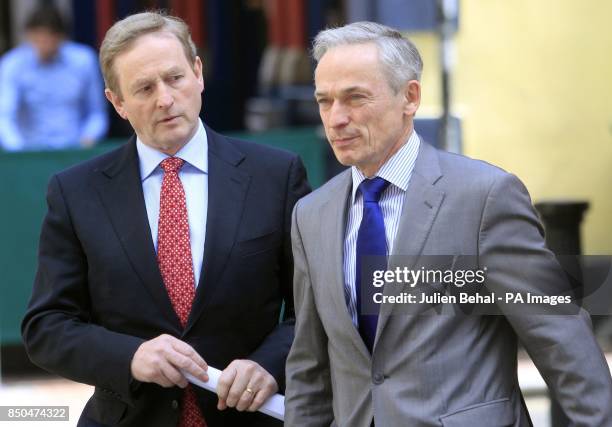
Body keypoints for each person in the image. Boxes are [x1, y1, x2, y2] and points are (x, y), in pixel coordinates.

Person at [284, 21, 612, 426]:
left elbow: (560, 337)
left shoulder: (485, 197)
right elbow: (309, 370)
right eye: (324, 101)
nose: (336, 119)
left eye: (355, 98)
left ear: (410, 96)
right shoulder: (311, 215)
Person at [22, 11, 309, 427]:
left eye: (174, 78)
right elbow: (46, 327)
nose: (165, 98)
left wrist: (268, 364)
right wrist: (131, 357)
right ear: (117, 102)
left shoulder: (276, 176)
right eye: (143, 88)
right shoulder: (76, 192)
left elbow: (315, 306)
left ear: (198, 73)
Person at [0, 2, 108, 151]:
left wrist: (89, 137)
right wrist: (19, 150)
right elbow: (5, 116)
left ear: (61, 37)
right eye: (39, 38)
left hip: (74, 149)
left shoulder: (83, 60)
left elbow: (96, 112)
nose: (44, 44)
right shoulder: (12, 64)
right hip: (29, 151)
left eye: (49, 38)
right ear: (29, 35)